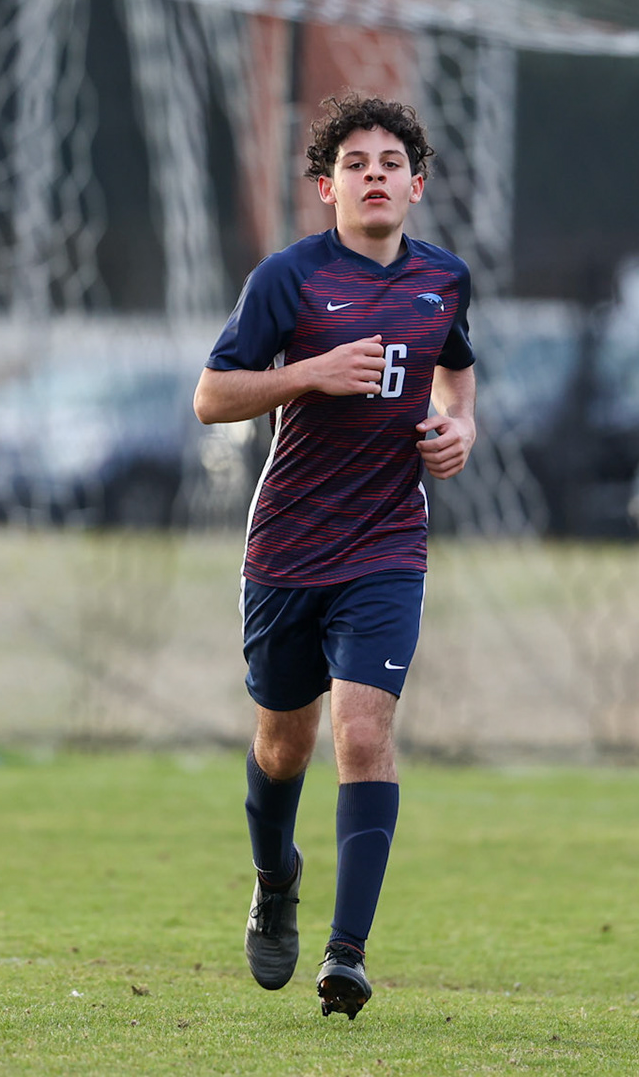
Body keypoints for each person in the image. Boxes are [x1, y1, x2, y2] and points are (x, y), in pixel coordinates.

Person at [193, 92, 477, 1019]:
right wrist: (307, 374)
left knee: (363, 734)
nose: (375, 175)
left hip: (389, 543)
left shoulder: (444, 279)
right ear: (327, 187)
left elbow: (456, 365)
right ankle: (276, 879)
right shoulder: (288, 279)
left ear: (417, 184)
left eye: (391, 162)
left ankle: (347, 956)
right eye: (355, 163)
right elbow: (211, 396)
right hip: (289, 545)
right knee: (286, 743)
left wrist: (459, 427)